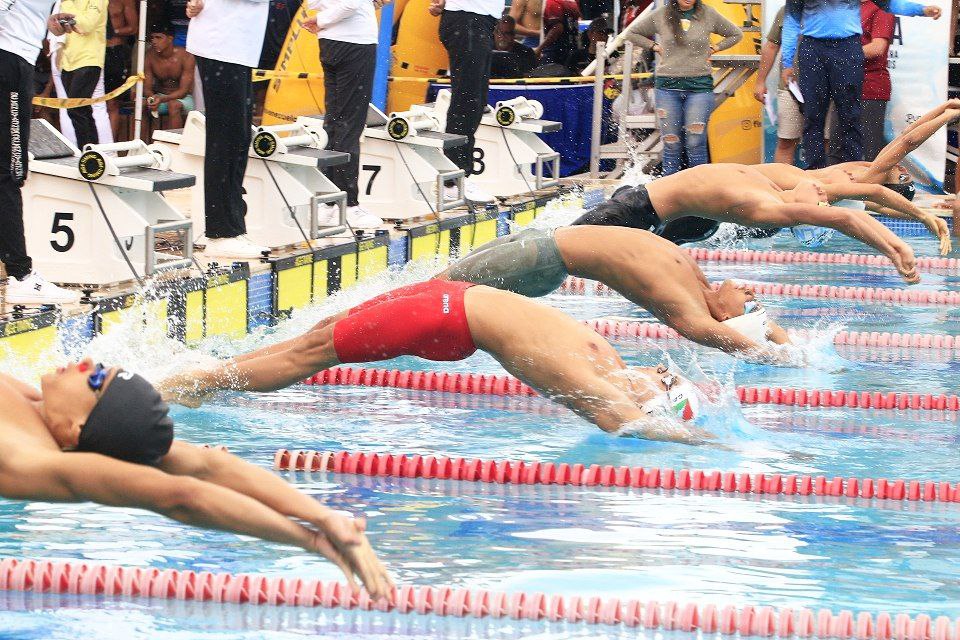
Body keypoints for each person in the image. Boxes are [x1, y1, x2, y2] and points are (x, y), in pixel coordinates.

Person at [0, 360, 393, 601]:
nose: (86, 362)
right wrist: (324, 517)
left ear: (78, 427)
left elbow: (181, 495)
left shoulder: (26, 457)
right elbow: (207, 466)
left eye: (96, 377)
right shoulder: (34, 407)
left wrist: (310, 540)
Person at [159, 280, 714, 442]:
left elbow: (624, 412)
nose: (657, 370)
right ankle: (185, 384)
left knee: (317, 340)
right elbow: (623, 420)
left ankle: (200, 378)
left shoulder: (601, 365)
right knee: (313, 351)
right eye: (664, 372)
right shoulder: (592, 371)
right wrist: (714, 445)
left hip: (445, 299)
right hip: (440, 315)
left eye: (664, 379)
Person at [438, 226, 793, 358]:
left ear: (728, 317)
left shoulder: (687, 307)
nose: (749, 289)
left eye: (750, 301)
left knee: (438, 288)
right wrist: (780, 338)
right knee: (442, 283)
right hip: (542, 240)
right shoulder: (699, 284)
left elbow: (715, 334)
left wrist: (779, 355)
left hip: (541, 258)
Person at [570, 163, 923, 282]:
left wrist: (897, 250)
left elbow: (843, 217)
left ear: (805, 215)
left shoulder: (768, 208)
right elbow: (871, 190)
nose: (822, 191)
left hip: (633, 215)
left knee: (555, 253)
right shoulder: (781, 184)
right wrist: (922, 216)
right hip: (644, 209)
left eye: (820, 202)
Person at [780, 0, 941, 169]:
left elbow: (888, 4)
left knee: (850, 115)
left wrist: (922, 10)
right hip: (813, 49)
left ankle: (854, 170)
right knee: (813, 115)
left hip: (847, 47)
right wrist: (787, 62)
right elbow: (791, 21)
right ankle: (814, 171)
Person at [0, 2, 84, 305]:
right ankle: (20, 275)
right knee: (10, 171)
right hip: (8, 62)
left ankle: (18, 271)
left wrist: (50, 25)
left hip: (16, 59)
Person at [186, 0, 272, 259]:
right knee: (225, 138)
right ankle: (220, 231)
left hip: (238, 48)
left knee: (238, 138)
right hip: (221, 46)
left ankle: (232, 227)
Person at [621, 0, 742, 175]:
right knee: (671, 143)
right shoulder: (661, 14)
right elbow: (631, 33)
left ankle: (700, 190)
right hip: (667, 88)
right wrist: (654, 46)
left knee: (696, 143)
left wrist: (715, 48)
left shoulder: (708, 13)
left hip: (699, 87)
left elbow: (736, 34)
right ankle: (670, 193)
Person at [302, 0, 385, 229]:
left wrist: (324, 18)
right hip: (355, 42)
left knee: (334, 122)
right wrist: (322, 20)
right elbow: (351, 3)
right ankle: (348, 203)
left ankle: (328, 202)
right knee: (349, 124)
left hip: (330, 41)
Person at [429, 0, 502, 204]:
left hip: (479, 22)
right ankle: (453, 180)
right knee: (466, 102)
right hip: (467, 21)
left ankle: (457, 176)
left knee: (476, 103)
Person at [826, 0, 895, 164]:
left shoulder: (880, 9)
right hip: (843, 87)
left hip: (870, 88)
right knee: (836, 150)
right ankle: (836, 189)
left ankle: (869, 190)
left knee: (867, 154)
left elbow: (877, 47)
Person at [753, 7, 801, 165]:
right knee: (786, 142)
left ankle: (825, 189)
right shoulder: (787, 10)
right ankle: (783, 189)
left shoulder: (836, 7)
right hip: (790, 88)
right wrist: (760, 81)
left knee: (828, 142)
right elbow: (772, 46)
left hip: (827, 88)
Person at [59, 0, 108, 149]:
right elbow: (60, 26)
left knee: (76, 110)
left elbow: (86, 25)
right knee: (82, 111)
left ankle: (87, 155)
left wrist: (67, 6)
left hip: (89, 60)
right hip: (67, 62)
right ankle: (92, 153)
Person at [144, 26, 194, 130]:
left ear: (170, 38)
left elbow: (183, 91)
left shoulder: (186, 56)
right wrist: (152, 98)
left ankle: (173, 143)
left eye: (158, 37)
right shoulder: (149, 56)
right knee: (140, 105)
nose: (154, 41)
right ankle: (139, 144)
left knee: (173, 105)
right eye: (152, 38)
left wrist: (161, 99)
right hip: (159, 97)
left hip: (183, 99)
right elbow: (147, 88)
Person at [105, 0, 137, 141]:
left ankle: (109, 147)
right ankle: (91, 143)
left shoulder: (125, 1)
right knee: (90, 102)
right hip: (92, 53)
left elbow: (134, 28)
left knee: (112, 103)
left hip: (115, 51)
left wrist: (112, 32)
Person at [535, 0, 581, 67]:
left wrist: (539, 49)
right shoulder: (572, 2)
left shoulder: (552, 3)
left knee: (548, 75)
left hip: (554, 52)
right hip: (571, 50)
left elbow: (557, 28)